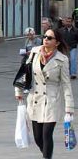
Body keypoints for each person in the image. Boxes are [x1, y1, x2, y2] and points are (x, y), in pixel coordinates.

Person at [15, 29, 74, 159]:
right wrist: (18, 91)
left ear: (57, 43)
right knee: (37, 137)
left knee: (47, 135)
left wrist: (69, 107)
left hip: (52, 101)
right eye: (44, 36)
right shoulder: (35, 52)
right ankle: (47, 155)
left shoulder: (62, 59)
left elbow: (66, 84)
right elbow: (24, 72)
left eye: (49, 38)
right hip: (35, 98)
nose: (45, 39)